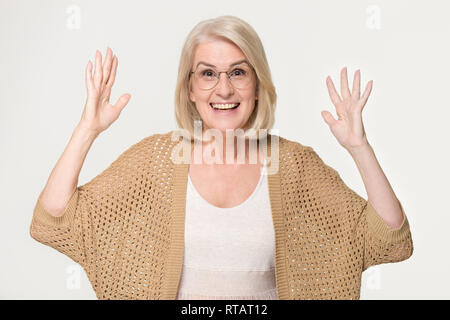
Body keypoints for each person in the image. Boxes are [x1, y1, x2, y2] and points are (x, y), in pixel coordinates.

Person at [29, 15, 413, 300]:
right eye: (208, 73)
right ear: (190, 88)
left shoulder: (292, 165)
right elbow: (55, 220)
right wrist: (87, 129)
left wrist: (360, 148)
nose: (224, 88)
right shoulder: (158, 160)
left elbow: (387, 238)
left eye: (238, 72)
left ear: (258, 85)